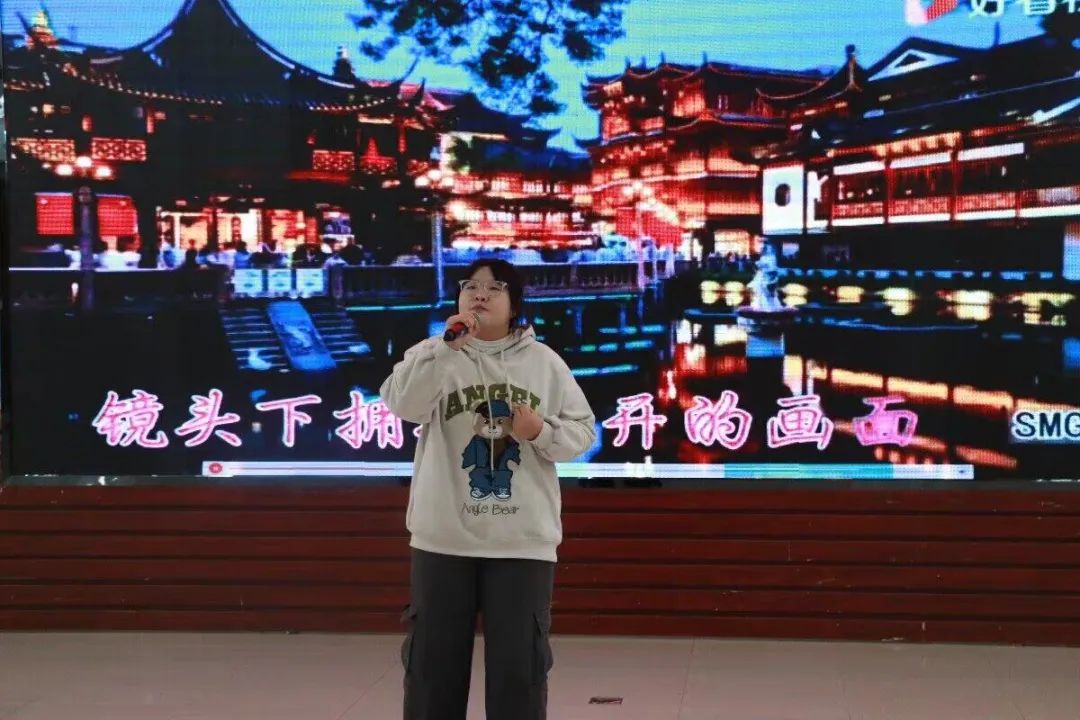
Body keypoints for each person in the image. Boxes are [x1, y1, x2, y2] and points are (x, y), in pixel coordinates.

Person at [380, 259, 595, 720]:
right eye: (471, 286)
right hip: (443, 539)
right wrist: (445, 350)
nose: (480, 294)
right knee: (432, 672)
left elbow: (582, 434)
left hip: (521, 542)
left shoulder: (544, 363)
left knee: (519, 673)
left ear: (514, 305)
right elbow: (405, 405)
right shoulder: (435, 351)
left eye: (495, 288)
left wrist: (539, 431)